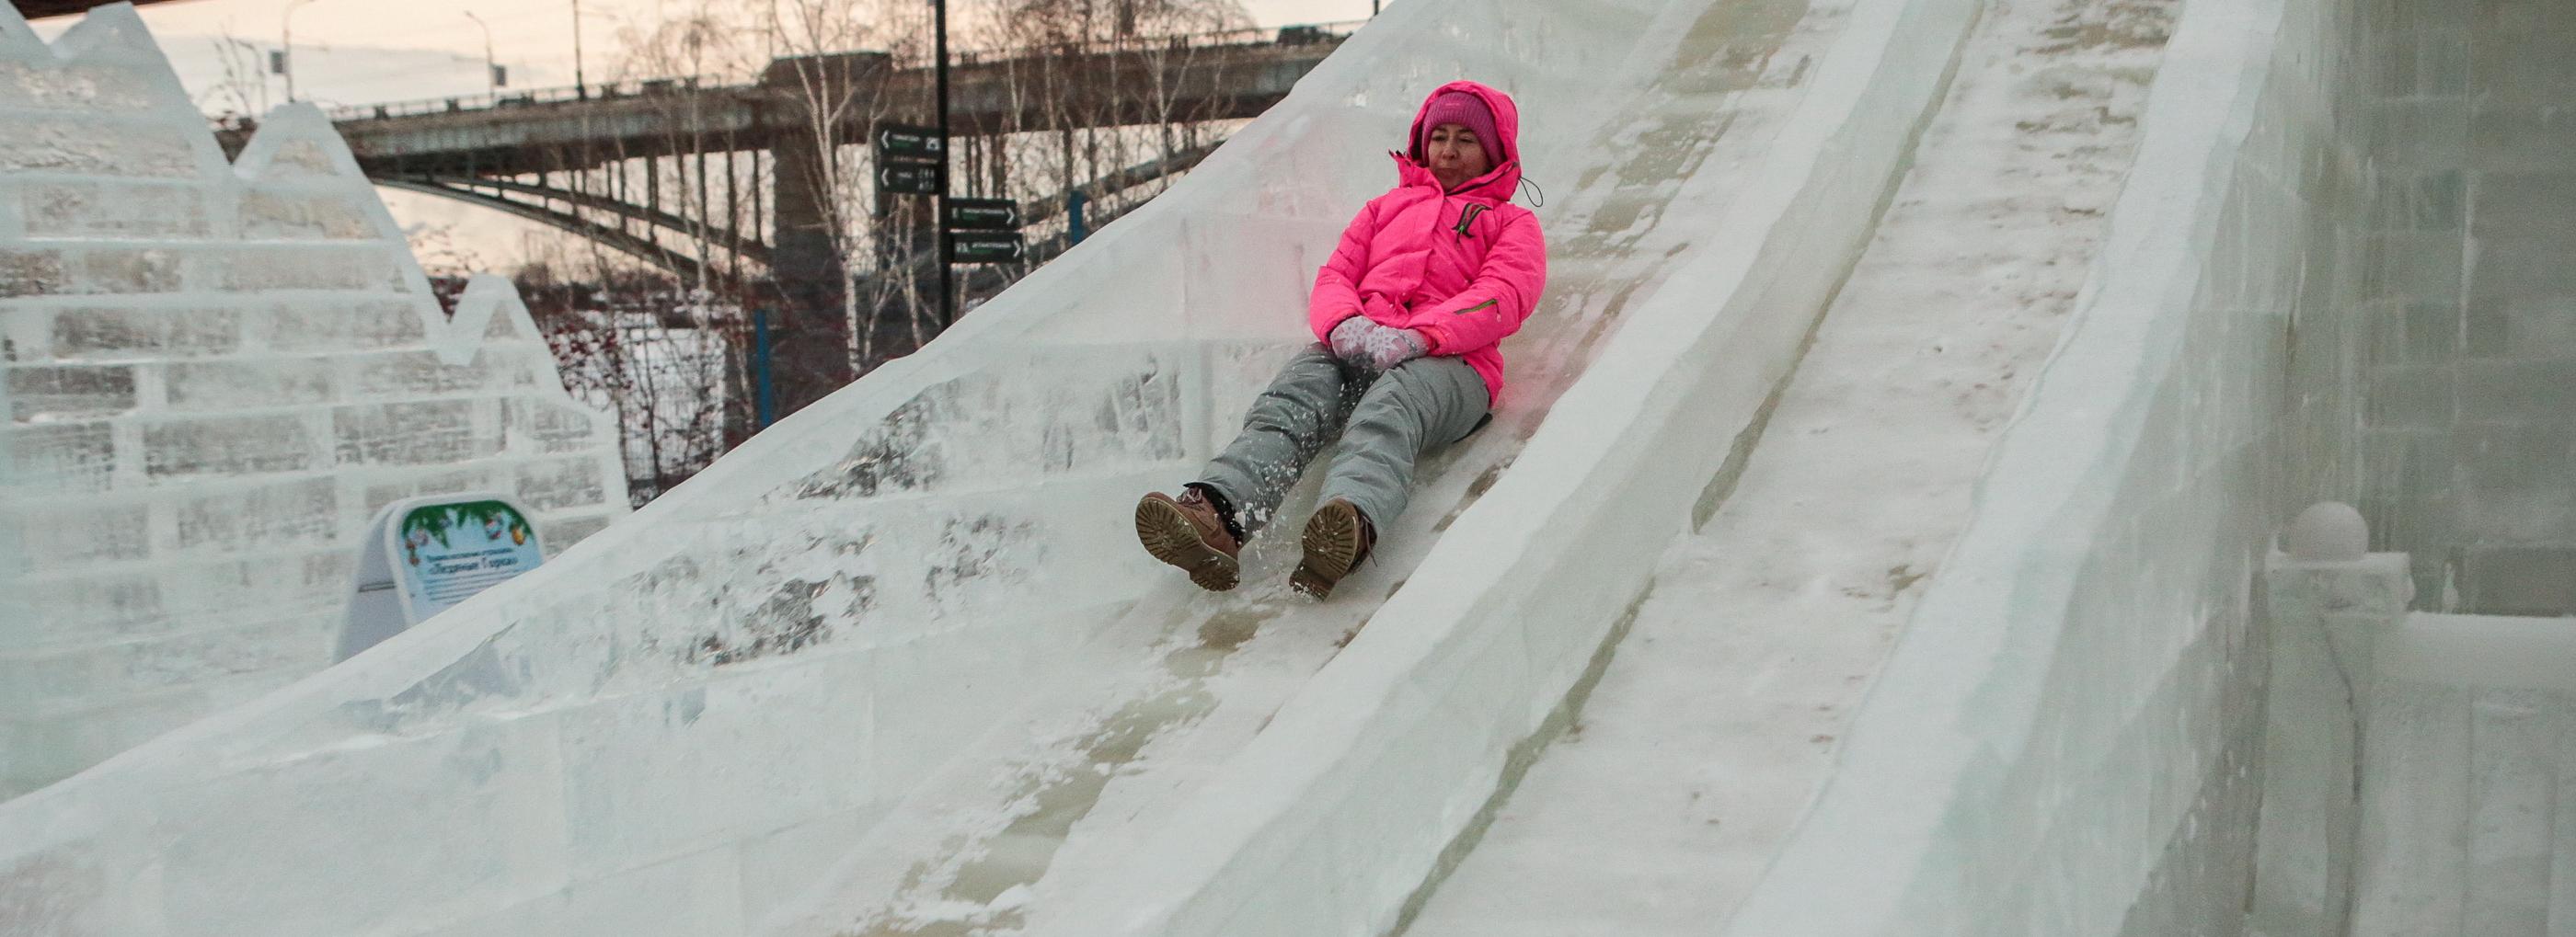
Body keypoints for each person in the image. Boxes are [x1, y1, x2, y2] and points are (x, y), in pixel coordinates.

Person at [1134, 80, 1547, 599]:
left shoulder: (1511, 223)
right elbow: (1336, 275)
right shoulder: (1383, 210)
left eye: (1466, 140)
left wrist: (1422, 336)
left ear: (1495, 151)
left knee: (1391, 407)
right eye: (1439, 136)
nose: (1448, 150)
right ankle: (1219, 513)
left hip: (1453, 366)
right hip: (1360, 342)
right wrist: (1344, 324)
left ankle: (1350, 522)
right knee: (1294, 396)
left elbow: (1503, 294)